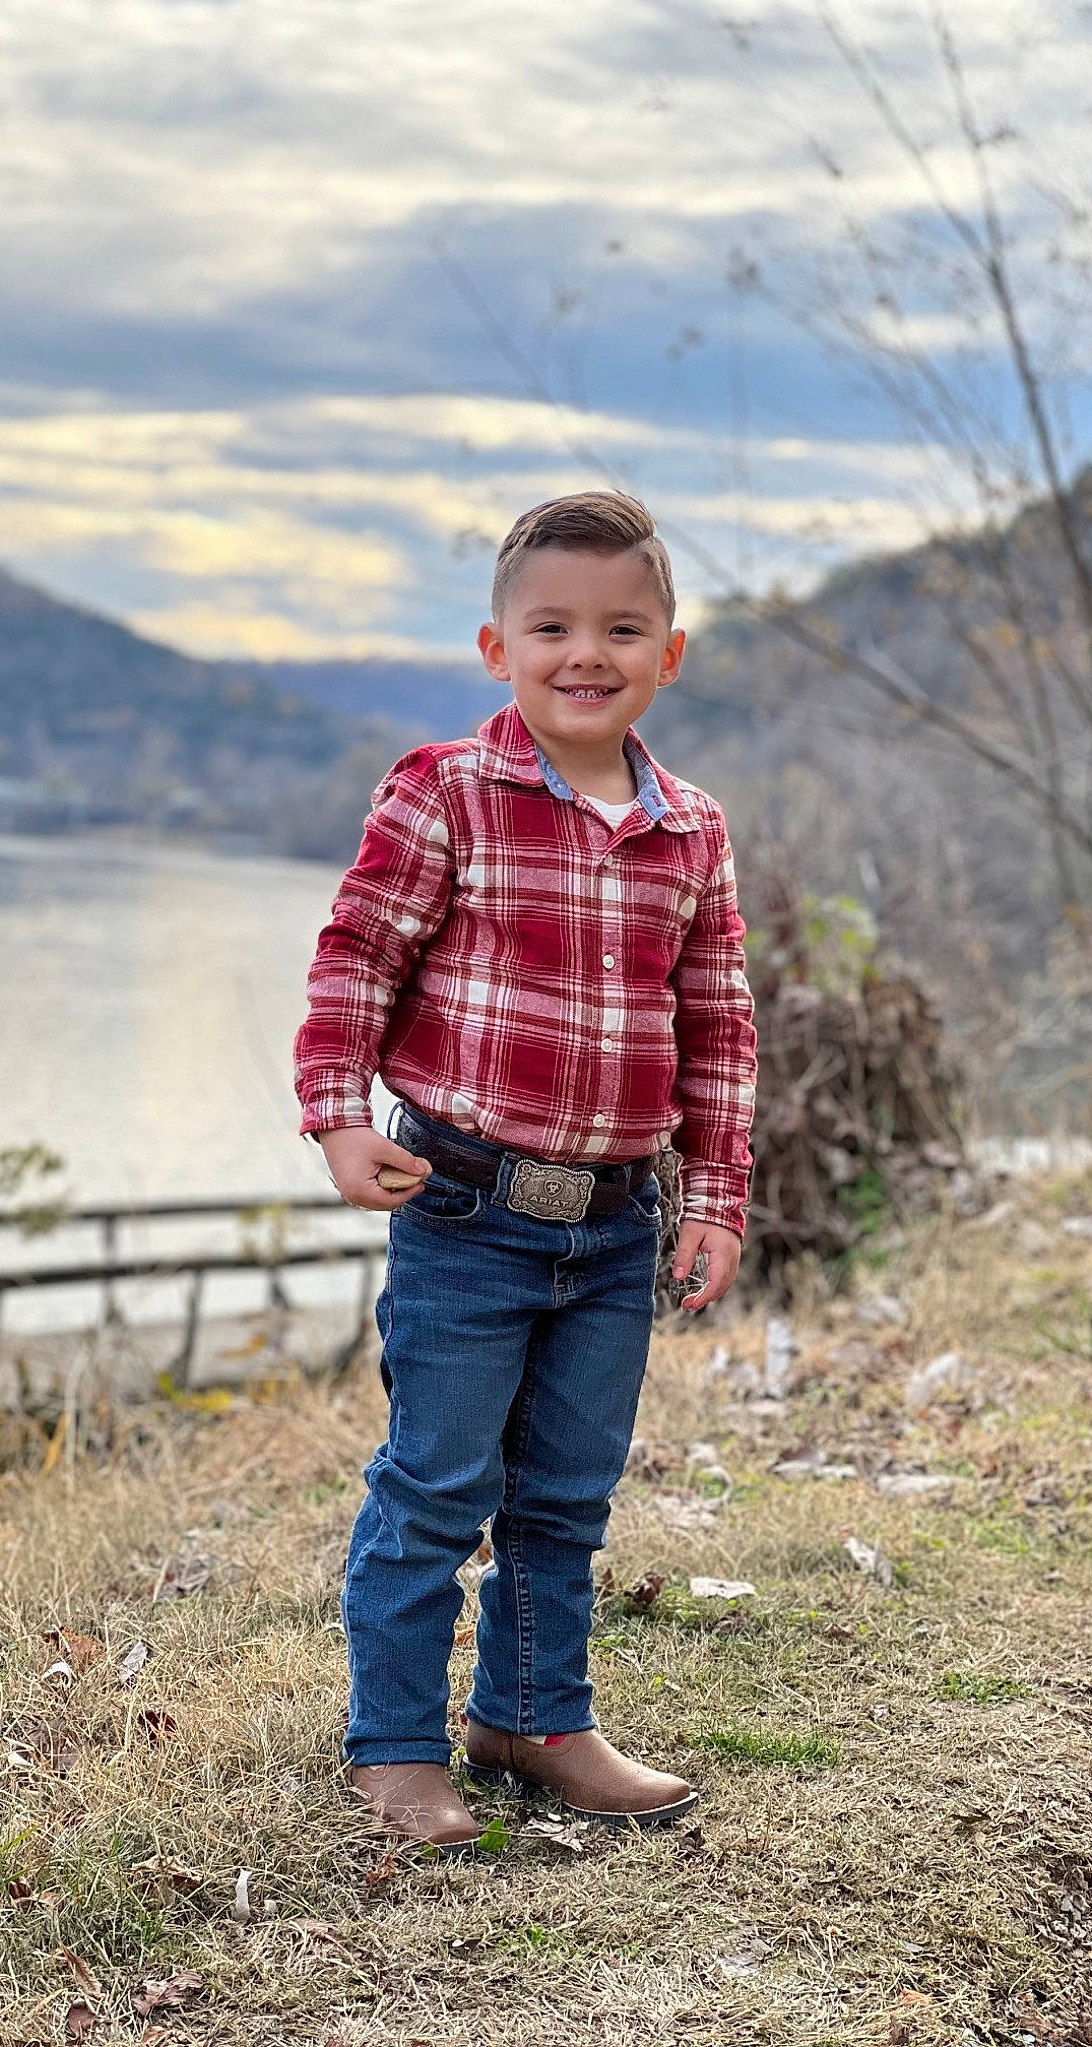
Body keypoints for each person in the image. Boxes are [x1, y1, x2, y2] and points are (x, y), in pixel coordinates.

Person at [293, 490, 756, 1852]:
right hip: (463, 1209)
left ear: (669, 654)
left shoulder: (691, 830)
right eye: (551, 627)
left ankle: (536, 1719)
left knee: (565, 1493)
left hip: (613, 1228)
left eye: (622, 628)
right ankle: (395, 1745)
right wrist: (338, 1119)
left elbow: (718, 1025)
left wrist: (715, 1194)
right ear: (499, 649)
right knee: (437, 1486)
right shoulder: (446, 791)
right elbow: (357, 959)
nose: (585, 654)